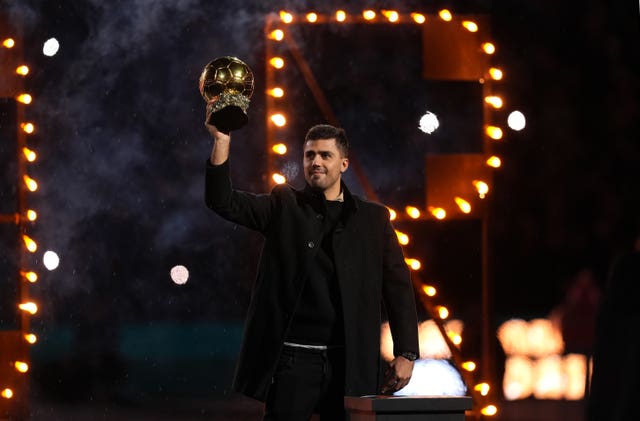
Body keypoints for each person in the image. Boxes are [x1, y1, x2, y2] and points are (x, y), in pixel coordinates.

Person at [204, 122, 419, 420]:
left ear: (344, 163)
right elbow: (222, 201)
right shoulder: (284, 205)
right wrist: (221, 140)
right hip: (292, 361)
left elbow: (398, 287)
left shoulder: (374, 219)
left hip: (350, 361)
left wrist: (407, 352)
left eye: (325, 155)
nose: (315, 162)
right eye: (309, 155)